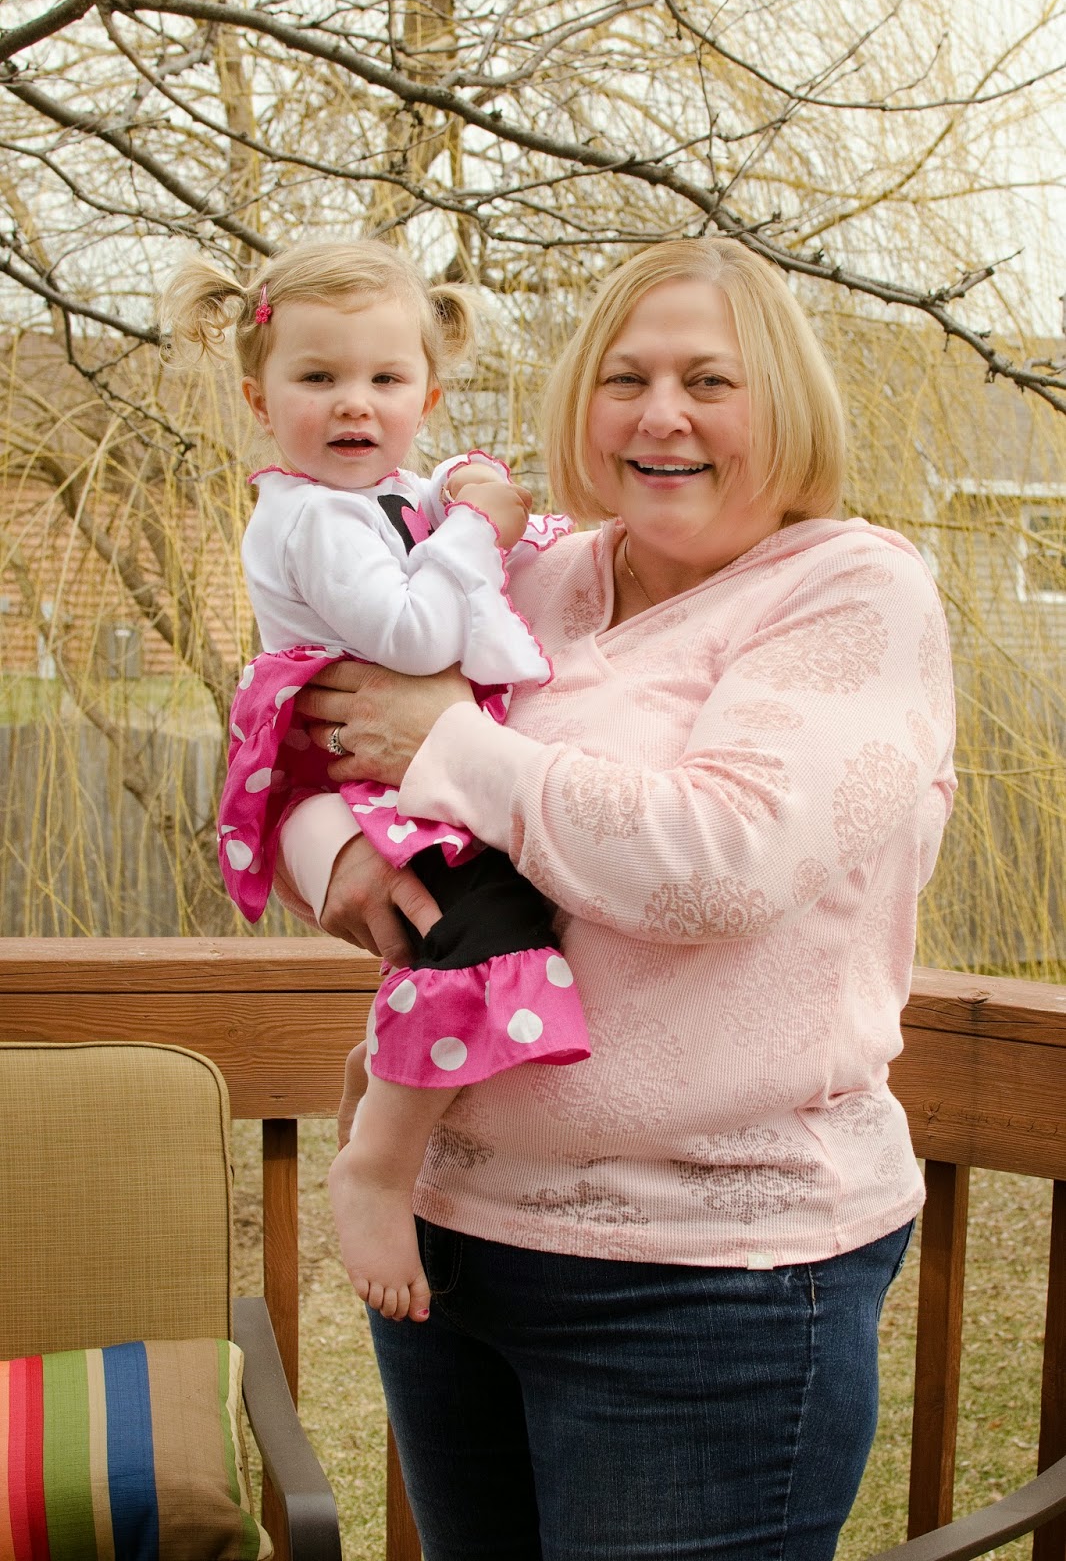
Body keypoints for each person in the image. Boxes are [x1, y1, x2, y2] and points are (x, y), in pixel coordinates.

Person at [278, 236, 957, 1560]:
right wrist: (333, 861)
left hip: (705, 1281)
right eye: (625, 379)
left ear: (784, 404)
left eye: (709, 380)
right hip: (447, 1235)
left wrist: (443, 743)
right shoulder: (526, 575)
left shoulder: (851, 593)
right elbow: (315, 736)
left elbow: (720, 862)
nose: (661, 415)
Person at [161, 240, 590, 1324]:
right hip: (354, 767)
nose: (355, 402)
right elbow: (411, 634)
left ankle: (379, 1082)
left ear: (425, 398)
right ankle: (377, 1167)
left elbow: (429, 503)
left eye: (385, 378)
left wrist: (460, 489)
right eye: (319, 377)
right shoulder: (308, 516)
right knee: (486, 936)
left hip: (399, 769)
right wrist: (477, 526)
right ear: (260, 400)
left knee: (469, 928)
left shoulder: (383, 492)